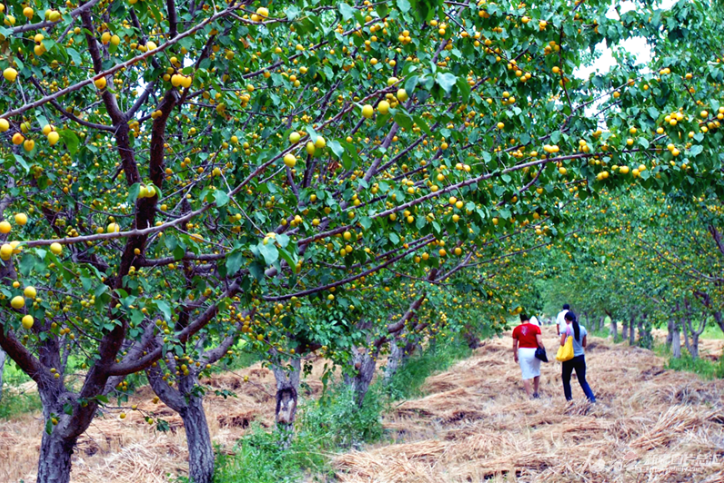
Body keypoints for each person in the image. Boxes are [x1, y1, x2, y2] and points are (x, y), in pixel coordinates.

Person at [559, 311, 596, 403]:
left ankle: (569, 400)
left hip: (569, 358)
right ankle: (592, 399)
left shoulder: (566, 329)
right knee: (582, 380)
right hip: (580, 357)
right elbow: (584, 344)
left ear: (566, 319)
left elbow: (562, 343)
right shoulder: (582, 329)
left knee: (566, 380)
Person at [512, 313, 544, 398]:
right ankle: (536, 392)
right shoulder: (535, 328)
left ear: (520, 319)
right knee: (536, 371)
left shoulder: (516, 329)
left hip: (523, 352)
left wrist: (515, 355)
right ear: (529, 319)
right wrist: (543, 350)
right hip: (534, 351)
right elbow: (539, 341)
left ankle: (529, 395)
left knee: (525, 375)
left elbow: (514, 344)